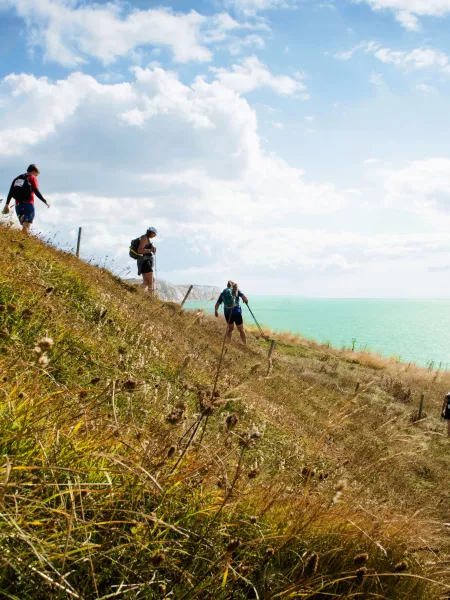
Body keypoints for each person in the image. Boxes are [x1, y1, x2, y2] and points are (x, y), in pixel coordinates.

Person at [2, 164, 50, 234]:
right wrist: (45, 201)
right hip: (28, 205)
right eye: (36, 175)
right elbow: (36, 191)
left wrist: (7, 204)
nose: (36, 176)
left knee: (24, 227)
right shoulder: (32, 178)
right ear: (34, 171)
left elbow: (11, 192)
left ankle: (20, 241)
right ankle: (20, 243)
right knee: (26, 228)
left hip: (18, 206)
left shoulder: (17, 178)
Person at [215, 281, 248, 345]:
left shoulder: (223, 293)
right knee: (241, 330)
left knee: (230, 329)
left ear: (227, 286)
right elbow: (244, 297)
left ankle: (228, 344)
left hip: (227, 313)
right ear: (233, 285)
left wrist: (216, 311)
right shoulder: (236, 289)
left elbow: (217, 304)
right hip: (236, 312)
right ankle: (245, 344)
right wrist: (246, 301)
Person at [135, 227, 157, 293]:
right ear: (151, 232)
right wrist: (151, 250)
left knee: (146, 282)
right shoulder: (144, 238)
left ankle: (136, 293)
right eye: (155, 233)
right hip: (145, 262)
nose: (155, 235)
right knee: (151, 282)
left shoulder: (146, 238)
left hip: (143, 261)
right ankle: (151, 300)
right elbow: (139, 250)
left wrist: (151, 249)